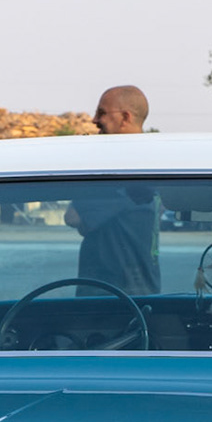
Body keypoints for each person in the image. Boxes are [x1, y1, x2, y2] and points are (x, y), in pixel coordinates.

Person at [65, 85, 159, 295]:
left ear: (125, 117)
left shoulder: (121, 169)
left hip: (110, 297)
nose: (94, 120)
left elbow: (73, 217)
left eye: (102, 113)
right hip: (139, 290)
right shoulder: (154, 163)